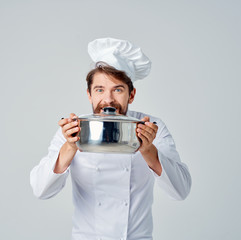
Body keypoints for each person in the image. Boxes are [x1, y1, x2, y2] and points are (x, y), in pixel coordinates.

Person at [30, 37, 192, 240]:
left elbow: (181, 191)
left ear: (131, 95)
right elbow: (40, 190)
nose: (108, 100)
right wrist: (69, 147)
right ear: (89, 94)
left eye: (118, 90)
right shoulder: (75, 128)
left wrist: (148, 150)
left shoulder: (150, 127)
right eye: (99, 90)